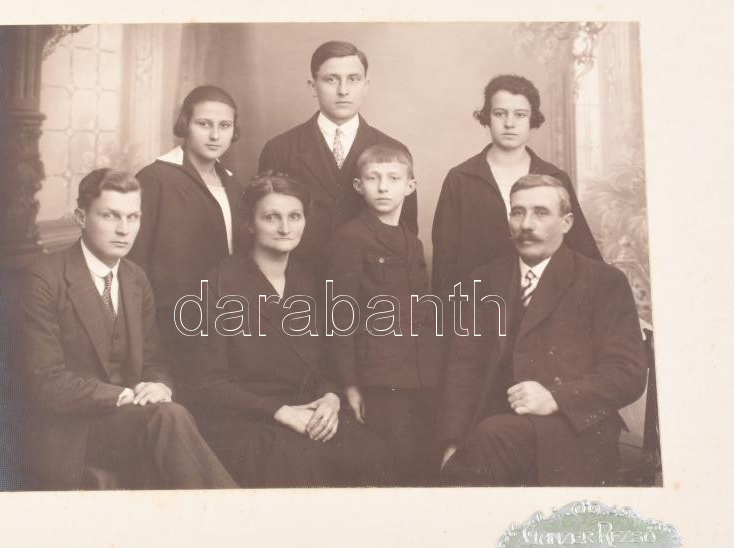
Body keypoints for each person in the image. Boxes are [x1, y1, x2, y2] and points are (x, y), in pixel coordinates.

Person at [21, 168, 236, 490]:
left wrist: (159, 386)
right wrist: (122, 395)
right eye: (110, 216)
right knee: (169, 418)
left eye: (133, 217)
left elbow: (153, 361)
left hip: (128, 423)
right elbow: (45, 382)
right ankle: (231, 508)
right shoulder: (43, 278)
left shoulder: (135, 278)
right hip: (73, 430)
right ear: (81, 217)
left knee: (172, 413)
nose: (124, 229)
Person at [439, 174, 647, 486]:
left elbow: (627, 374)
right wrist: (452, 442)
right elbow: (462, 369)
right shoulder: (482, 281)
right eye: (517, 212)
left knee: (492, 438)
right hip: (493, 425)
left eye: (540, 212)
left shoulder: (603, 282)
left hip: (571, 428)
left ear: (566, 222)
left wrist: (554, 397)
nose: (526, 224)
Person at [191, 172, 393, 487]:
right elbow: (209, 383)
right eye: (271, 217)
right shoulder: (218, 284)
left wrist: (330, 398)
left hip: (309, 409)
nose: (285, 228)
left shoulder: (311, 280)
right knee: (294, 464)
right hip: (247, 419)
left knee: (373, 454)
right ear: (249, 224)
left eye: (294, 216)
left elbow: (328, 362)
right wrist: (279, 411)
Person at [327, 143, 443, 485]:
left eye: (393, 178)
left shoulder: (412, 242)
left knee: (424, 460)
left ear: (410, 186)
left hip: (421, 375)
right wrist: (350, 384)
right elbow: (340, 318)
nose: (382, 187)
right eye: (373, 178)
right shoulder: (350, 238)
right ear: (358, 185)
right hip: (379, 377)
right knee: (394, 463)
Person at [431, 74, 601, 303]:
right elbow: (444, 264)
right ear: (487, 117)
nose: (509, 123)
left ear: (532, 119)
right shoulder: (460, 179)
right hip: (480, 305)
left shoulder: (554, 178)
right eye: (500, 113)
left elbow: (582, 250)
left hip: (545, 304)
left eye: (520, 115)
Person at [259, 40, 418, 278]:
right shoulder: (280, 149)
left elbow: (406, 233)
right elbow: (263, 226)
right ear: (313, 86)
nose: (343, 90)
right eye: (331, 79)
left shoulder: (394, 151)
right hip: (298, 282)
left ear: (366, 85)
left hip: (371, 285)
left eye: (353, 79)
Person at [128, 85, 243, 405]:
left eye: (224, 126)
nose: (215, 135)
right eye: (204, 124)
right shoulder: (155, 178)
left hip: (222, 321)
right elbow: (134, 263)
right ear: (185, 125)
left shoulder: (234, 185)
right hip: (171, 324)